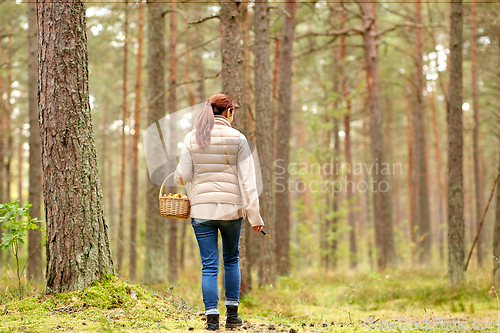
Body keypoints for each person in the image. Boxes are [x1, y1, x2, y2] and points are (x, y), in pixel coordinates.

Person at [174, 93, 264, 331]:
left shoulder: (192, 137)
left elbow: (182, 175)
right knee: (231, 260)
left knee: (209, 265)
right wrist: (255, 216)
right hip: (231, 211)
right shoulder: (239, 138)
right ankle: (232, 317)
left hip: (201, 211)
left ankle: (212, 320)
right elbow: (249, 182)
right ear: (228, 112)